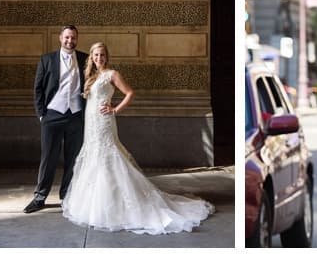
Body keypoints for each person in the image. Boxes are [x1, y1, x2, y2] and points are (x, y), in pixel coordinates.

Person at [61, 42, 214, 234]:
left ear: (106, 57)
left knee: (107, 155)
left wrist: (114, 109)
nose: (99, 58)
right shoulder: (91, 76)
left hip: (103, 122)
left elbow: (130, 93)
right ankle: (92, 204)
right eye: (96, 55)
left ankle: (113, 205)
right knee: (92, 155)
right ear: (91, 57)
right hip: (90, 123)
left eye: (102, 55)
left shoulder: (112, 74)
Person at [24, 25, 89, 213]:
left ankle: (66, 196)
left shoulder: (85, 59)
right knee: (48, 158)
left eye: (74, 38)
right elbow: (38, 88)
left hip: (76, 115)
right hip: (52, 114)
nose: (70, 41)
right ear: (60, 38)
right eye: (67, 37)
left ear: (77, 39)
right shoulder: (47, 59)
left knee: (73, 158)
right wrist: (41, 114)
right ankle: (40, 196)